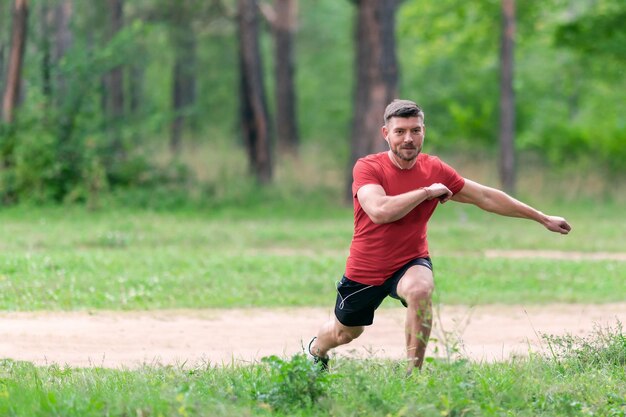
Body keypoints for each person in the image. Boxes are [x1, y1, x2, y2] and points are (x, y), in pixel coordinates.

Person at [308, 99, 572, 374]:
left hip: (409, 260)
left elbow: (485, 196)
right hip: (365, 269)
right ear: (386, 134)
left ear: (424, 131)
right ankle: (316, 351)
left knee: (420, 290)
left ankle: (412, 377)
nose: (408, 139)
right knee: (344, 333)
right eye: (400, 131)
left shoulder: (434, 170)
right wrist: (426, 192)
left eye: (415, 130)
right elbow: (379, 210)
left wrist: (542, 218)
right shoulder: (369, 167)